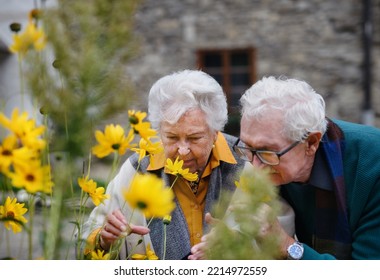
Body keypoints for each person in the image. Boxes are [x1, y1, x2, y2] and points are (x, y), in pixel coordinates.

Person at [190, 75, 380, 260]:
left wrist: (287, 246)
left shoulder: (372, 164)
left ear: (311, 143)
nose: (255, 167)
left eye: (268, 152)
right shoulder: (265, 162)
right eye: (247, 148)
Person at [79, 69, 245, 260]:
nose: (183, 150)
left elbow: (273, 244)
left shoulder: (244, 162)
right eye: (172, 137)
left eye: (194, 138)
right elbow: (85, 239)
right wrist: (103, 239)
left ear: (215, 132)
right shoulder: (138, 170)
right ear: (159, 132)